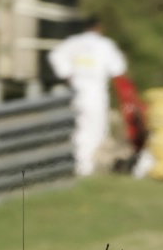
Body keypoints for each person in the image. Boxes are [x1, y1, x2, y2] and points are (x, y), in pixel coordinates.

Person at [47, 17, 128, 176]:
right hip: (96, 93)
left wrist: (67, 73)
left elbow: (55, 56)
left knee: (80, 128)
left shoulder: (73, 42)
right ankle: (87, 166)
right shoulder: (105, 45)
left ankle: (82, 164)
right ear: (99, 27)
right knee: (96, 129)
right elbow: (118, 69)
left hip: (76, 92)